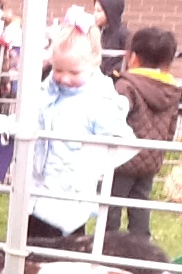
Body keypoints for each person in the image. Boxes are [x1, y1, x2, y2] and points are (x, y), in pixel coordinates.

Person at [29, 9, 135, 237]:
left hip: (70, 200)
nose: (64, 78)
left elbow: (121, 141)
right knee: (27, 249)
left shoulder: (100, 100)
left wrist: (90, 166)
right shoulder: (45, 93)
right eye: (58, 70)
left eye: (74, 72)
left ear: (94, 63)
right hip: (33, 195)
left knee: (62, 252)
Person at [106, 27, 181, 234]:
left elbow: (114, 120)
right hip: (151, 159)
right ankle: (141, 245)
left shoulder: (126, 86)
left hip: (123, 160)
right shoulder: (171, 90)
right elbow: (171, 126)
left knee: (111, 205)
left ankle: (109, 243)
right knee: (141, 205)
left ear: (133, 57)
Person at [93, 0, 130, 76]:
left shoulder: (123, 34)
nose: (94, 14)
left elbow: (128, 59)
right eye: (95, 10)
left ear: (110, 12)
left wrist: (113, 72)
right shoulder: (97, 32)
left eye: (99, 11)